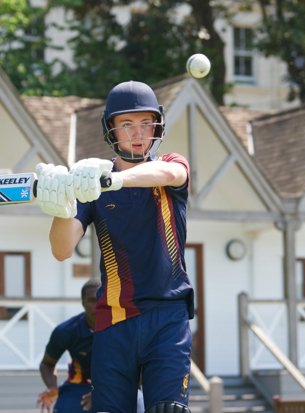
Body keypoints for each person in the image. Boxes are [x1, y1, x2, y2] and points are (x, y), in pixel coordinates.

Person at [35, 80, 194, 413]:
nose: (138, 133)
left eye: (145, 123)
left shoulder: (168, 163)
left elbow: (170, 173)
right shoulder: (89, 188)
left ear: (157, 126)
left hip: (167, 316)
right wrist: (62, 206)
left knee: (169, 410)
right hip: (114, 321)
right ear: (112, 129)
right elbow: (61, 250)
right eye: (127, 124)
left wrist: (114, 179)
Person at [36, 279, 100, 413]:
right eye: (92, 300)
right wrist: (52, 388)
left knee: (140, 406)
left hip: (116, 385)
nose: (98, 305)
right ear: (83, 303)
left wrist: (102, 392)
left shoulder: (122, 328)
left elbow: (136, 367)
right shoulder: (67, 331)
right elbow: (47, 364)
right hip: (79, 385)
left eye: (101, 298)